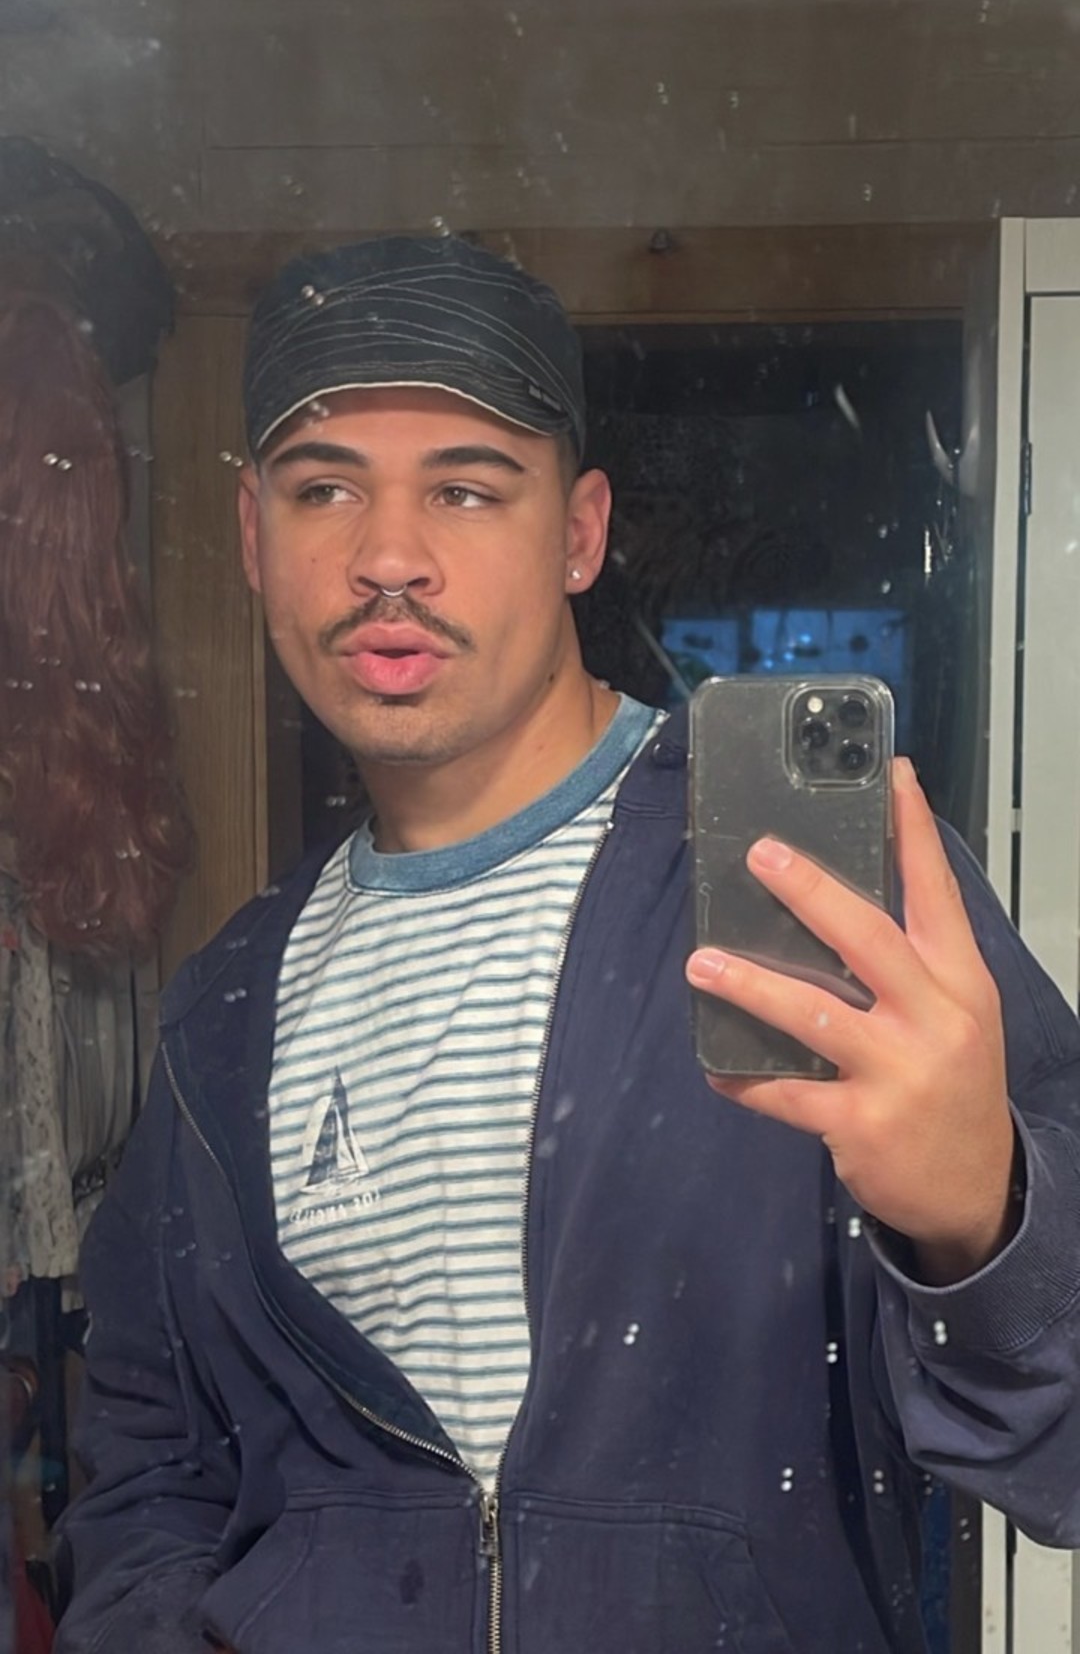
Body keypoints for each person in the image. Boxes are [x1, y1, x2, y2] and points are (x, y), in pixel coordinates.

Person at [54, 235, 1080, 1654]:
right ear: (250, 533)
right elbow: (145, 1458)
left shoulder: (813, 894)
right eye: (323, 488)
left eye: (467, 488)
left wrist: (989, 1223)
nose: (388, 558)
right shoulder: (225, 1012)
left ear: (581, 533)